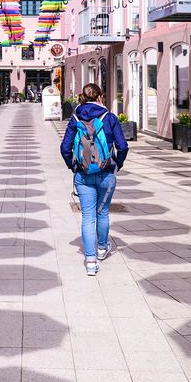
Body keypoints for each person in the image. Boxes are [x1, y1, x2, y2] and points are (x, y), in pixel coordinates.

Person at [60, 83, 129, 276]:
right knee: (103, 213)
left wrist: (73, 165)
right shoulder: (110, 118)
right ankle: (101, 248)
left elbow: (64, 148)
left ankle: (90, 261)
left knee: (87, 216)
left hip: (83, 175)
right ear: (100, 97)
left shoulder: (75, 118)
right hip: (106, 173)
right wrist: (118, 164)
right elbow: (122, 146)